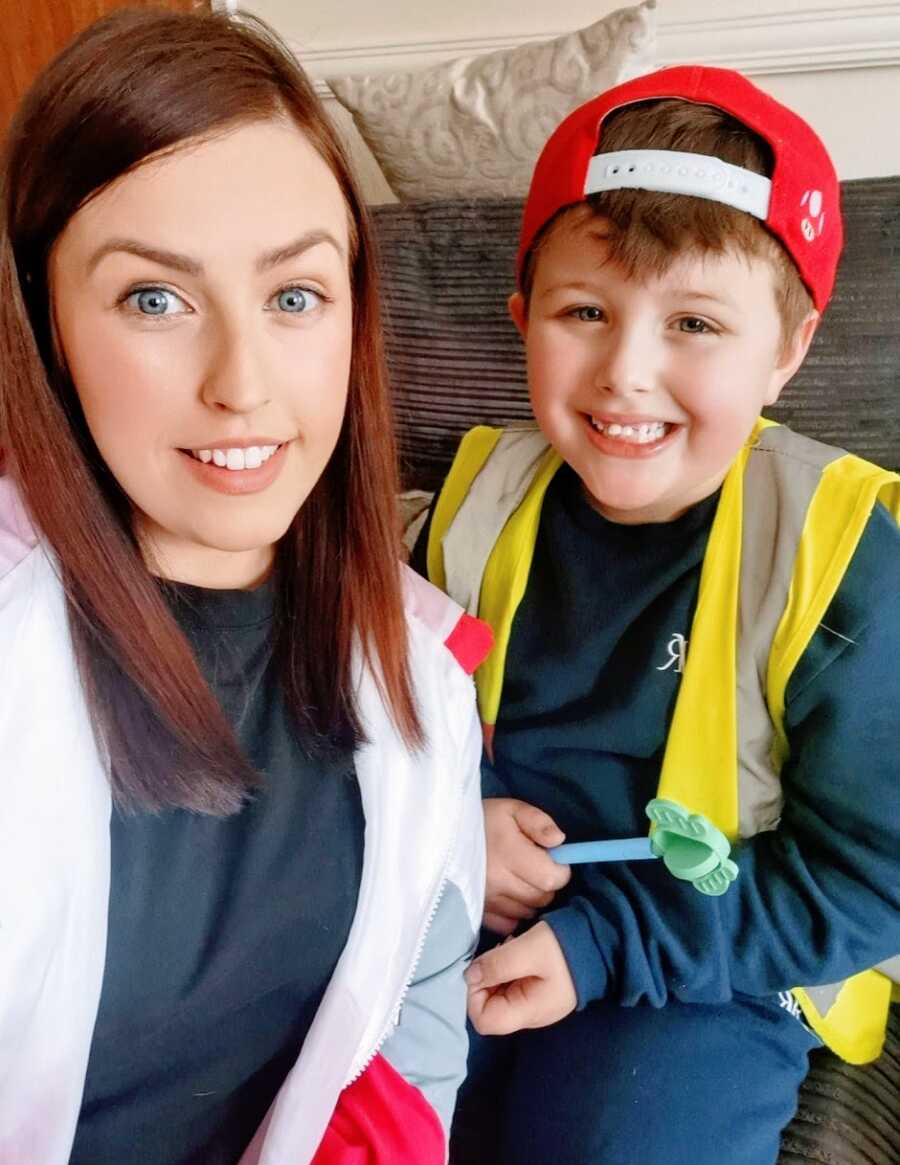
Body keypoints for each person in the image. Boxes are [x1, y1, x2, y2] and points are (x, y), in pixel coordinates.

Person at [0, 9, 490, 1164]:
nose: (242, 385)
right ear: (43, 321)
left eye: (294, 296)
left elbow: (414, 1000)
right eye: (154, 300)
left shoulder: (421, 668)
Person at [413, 66, 900, 1164]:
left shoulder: (848, 553)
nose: (627, 374)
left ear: (789, 349)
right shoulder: (469, 503)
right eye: (584, 312)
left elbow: (873, 876)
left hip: (719, 962)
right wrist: (455, 825)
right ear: (522, 319)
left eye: (693, 322)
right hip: (472, 914)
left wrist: (605, 946)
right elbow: (388, 709)